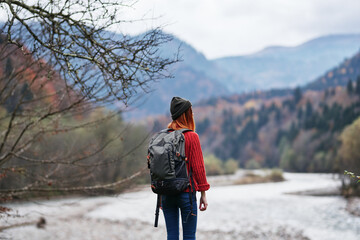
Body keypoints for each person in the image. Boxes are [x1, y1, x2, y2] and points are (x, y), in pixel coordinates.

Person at [161, 96, 210, 240]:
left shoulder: (163, 136)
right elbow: (198, 168)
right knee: (189, 236)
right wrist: (203, 194)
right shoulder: (191, 136)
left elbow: (158, 169)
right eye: (191, 111)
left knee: (172, 235)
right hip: (186, 193)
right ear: (186, 114)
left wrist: (160, 197)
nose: (193, 114)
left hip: (166, 194)